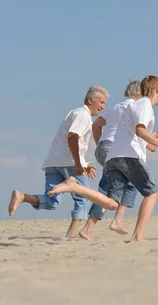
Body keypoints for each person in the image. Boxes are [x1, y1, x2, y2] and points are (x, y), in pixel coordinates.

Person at [47, 75, 158, 243]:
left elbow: (124, 131)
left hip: (112, 154)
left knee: (111, 200)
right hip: (127, 155)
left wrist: (101, 145)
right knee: (151, 192)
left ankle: (76, 189)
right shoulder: (143, 104)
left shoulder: (121, 106)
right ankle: (135, 234)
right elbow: (139, 131)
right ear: (157, 89)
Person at [8, 86, 110, 237]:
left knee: (51, 200)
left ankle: (22, 196)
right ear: (90, 100)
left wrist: (84, 163)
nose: (102, 107)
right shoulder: (83, 114)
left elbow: (70, 140)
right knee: (83, 199)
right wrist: (77, 163)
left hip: (53, 162)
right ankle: (71, 235)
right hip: (69, 163)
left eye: (104, 104)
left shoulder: (74, 112)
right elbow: (72, 137)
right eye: (101, 102)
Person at [79, 80, 158, 240]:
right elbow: (135, 134)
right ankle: (110, 222)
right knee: (117, 186)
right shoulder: (136, 106)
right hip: (118, 150)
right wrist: (152, 143)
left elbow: (96, 126)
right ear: (138, 94)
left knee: (112, 186)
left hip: (106, 148)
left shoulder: (114, 107)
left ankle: (95, 226)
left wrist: (101, 145)